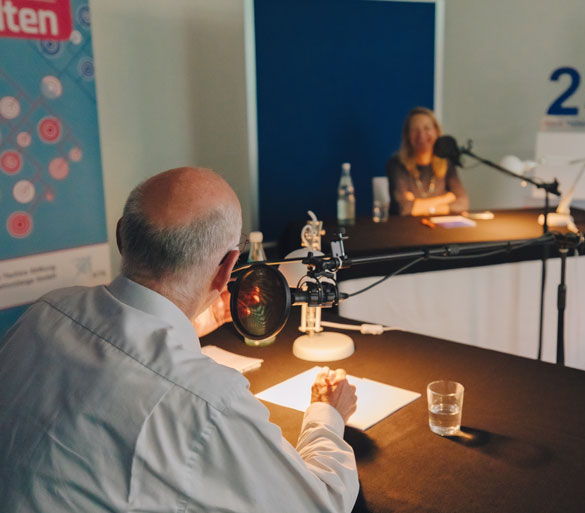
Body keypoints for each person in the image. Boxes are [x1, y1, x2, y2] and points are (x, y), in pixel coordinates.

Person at [0, 167, 359, 512]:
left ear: (122, 236)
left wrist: (188, 324)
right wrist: (326, 415)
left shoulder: (48, 310)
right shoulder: (206, 400)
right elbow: (319, 505)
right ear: (228, 268)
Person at [387, 106, 469, 216]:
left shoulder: (446, 162)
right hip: (405, 229)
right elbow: (404, 208)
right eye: (415, 130)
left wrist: (418, 205)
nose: (421, 135)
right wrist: (445, 199)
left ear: (436, 131)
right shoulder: (397, 164)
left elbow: (463, 202)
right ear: (407, 135)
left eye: (427, 128)